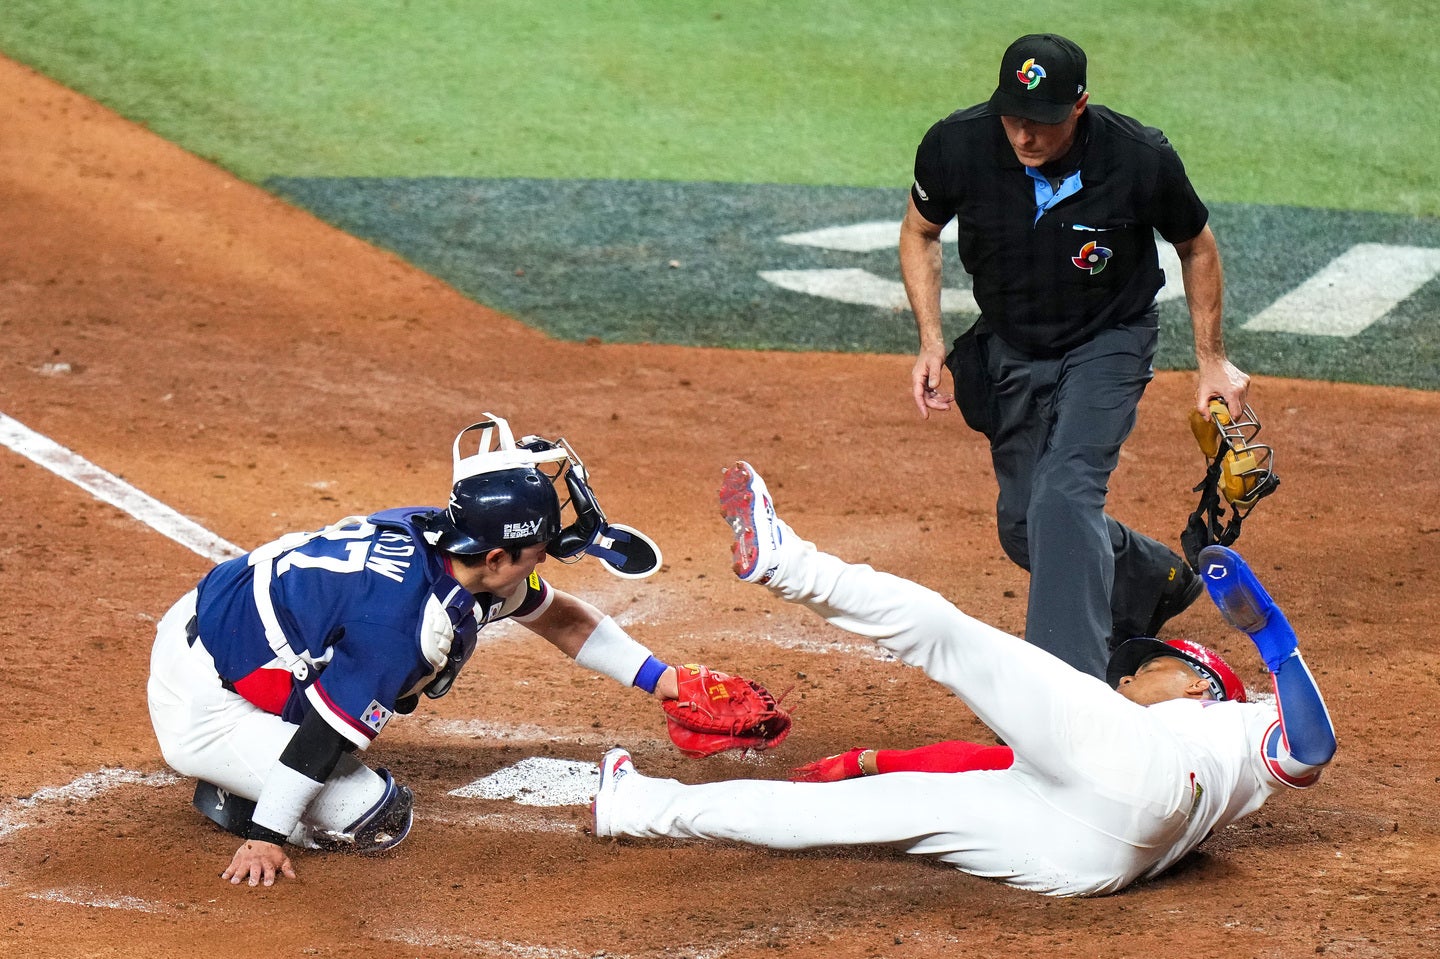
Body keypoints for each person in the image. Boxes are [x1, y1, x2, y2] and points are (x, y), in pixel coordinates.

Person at [591, 462, 1336, 897]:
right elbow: (975, 761)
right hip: (1095, 861)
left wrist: (1271, 637)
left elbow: (1312, 744)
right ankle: (638, 807)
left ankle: (788, 563)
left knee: (955, 638)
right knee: (851, 814)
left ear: (1203, 680)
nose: (1126, 673)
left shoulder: (1233, 723)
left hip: (1149, 779)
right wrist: (869, 760)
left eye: (1144, 666)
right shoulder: (1192, 758)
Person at [148, 413, 692, 888]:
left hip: (223, 620)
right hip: (202, 699)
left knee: (353, 696)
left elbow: (559, 618)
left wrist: (665, 682)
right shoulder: (403, 624)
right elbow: (321, 738)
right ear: (498, 558)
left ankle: (259, 758)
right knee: (374, 818)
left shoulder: (442, 538)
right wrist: (267, 838)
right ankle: (234, 797)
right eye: (538, 549)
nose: (545, 558)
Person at [899, 33, 1251, 679]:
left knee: (1064, 496)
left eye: (1043, 122)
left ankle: (1068, 685)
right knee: (1025, 527)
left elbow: (1196, 245)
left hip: (1107, 340)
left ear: (1080, 106)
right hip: (1010, 342)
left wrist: (1211, 358)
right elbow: (921, 231)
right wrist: (930, 339)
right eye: (1014, 118)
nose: (1026, 136)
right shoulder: (957, 144)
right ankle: (1154, 577)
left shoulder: (1138, 157)